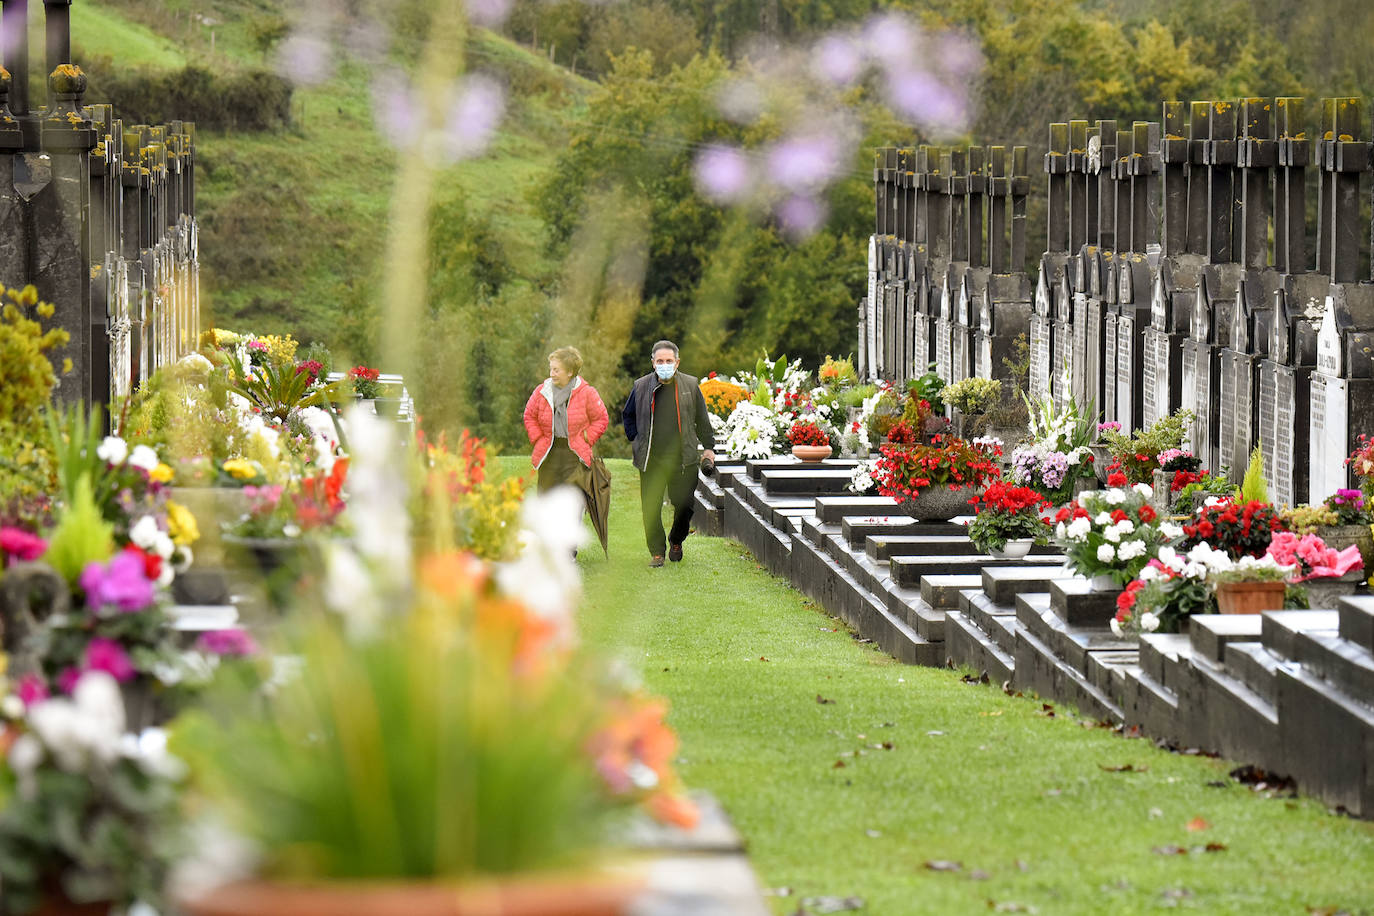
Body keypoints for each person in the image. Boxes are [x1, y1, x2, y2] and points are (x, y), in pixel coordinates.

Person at [622, 340, 716, 568]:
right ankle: (657, 551)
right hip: (652, 458)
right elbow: (628, 415)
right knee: (651, 507)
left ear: (677, 362)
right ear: (653, 363)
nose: (665, 364)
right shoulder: (641, 386)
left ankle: (676, 539)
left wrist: (709, 447)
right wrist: (636, 439)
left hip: (684, 459)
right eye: (660, 361)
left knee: (685, 505)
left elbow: (702, 420)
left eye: (669, 361)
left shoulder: (690, 386)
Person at [523, 346, 609, 498]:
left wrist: (587, 437)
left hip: (575, 455)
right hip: (549, 451)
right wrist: (538, 437)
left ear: (570, 372)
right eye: (551, 369)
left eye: (556, 370)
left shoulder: (587, 392)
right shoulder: (542, 391)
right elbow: (529, 415)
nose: (552, 374)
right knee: (545, 501)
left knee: (572, 502)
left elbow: (601, 418)